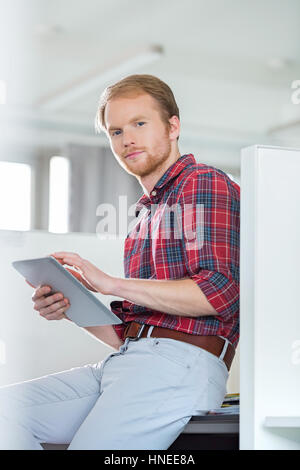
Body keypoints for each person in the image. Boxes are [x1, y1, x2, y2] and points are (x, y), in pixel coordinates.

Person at [0, 74, 240, 450]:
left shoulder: (203, 182)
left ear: (173, 126)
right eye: (115, 131)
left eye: (140, 124)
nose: (127, 139)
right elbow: (132, 332)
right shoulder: (144, 215)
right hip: (131, 359)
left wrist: (109, 283)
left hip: (178, 365)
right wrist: (71, 304)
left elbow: (218, 293)